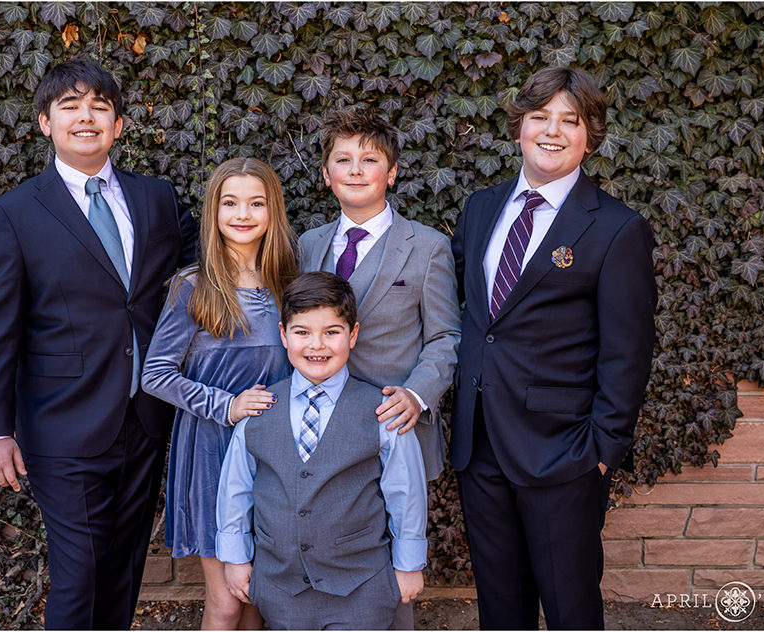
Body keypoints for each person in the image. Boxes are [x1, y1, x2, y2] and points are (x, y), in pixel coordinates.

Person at [0, 57, 197, 629]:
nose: (86, 117)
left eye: (100, 106)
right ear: (46, 123)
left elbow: (207, 265)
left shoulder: (157, 198)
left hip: (145, 416)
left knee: (123, 567)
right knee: (80, 572)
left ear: (119, 124)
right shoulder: (16, 213)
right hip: (61, 422)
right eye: (70, 106)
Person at [450, 66, 657, 630]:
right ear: (519, 127)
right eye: (540, 117)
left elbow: (628, 351)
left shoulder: (616, 228)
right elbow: (474, 317)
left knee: (570, 610)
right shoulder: (480, 208)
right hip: (480, 444)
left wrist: (601, 449)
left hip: (563, 451)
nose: (552, 131)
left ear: (590, 136)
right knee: (500, 610)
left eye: (571, 120)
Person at [298, 109, 460, 628]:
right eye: (342, 159)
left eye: (369, 160)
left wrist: (417, 395)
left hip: (393, 427)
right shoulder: (309, 244)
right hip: (319, 430)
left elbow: (445, 336)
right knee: (320, 550)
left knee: (390, 570)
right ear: (326, 175)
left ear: (391, 173)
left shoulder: (428, 246)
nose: (355, 169)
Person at [216, 271, 428, 630]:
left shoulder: (382, 411)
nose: (317, 345)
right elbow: (236, 488)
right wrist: (235, 558)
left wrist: (408, 565)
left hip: (363, 587)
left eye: (331, 332)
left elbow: (406, 492)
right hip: (280, 588)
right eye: (302, 332)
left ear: (353, 335)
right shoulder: (258, 409)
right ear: (283, 335)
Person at [140, 157, 297, 630]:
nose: (243, 214)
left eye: (256, 203)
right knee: (227, 599)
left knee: (260, 597)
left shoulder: (289, 283)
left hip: (274, 453)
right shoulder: (193, 286)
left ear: (273, 211)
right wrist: (226, 405)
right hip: (213, 450)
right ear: (214, 211)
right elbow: (155, 374)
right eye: (230, 203)